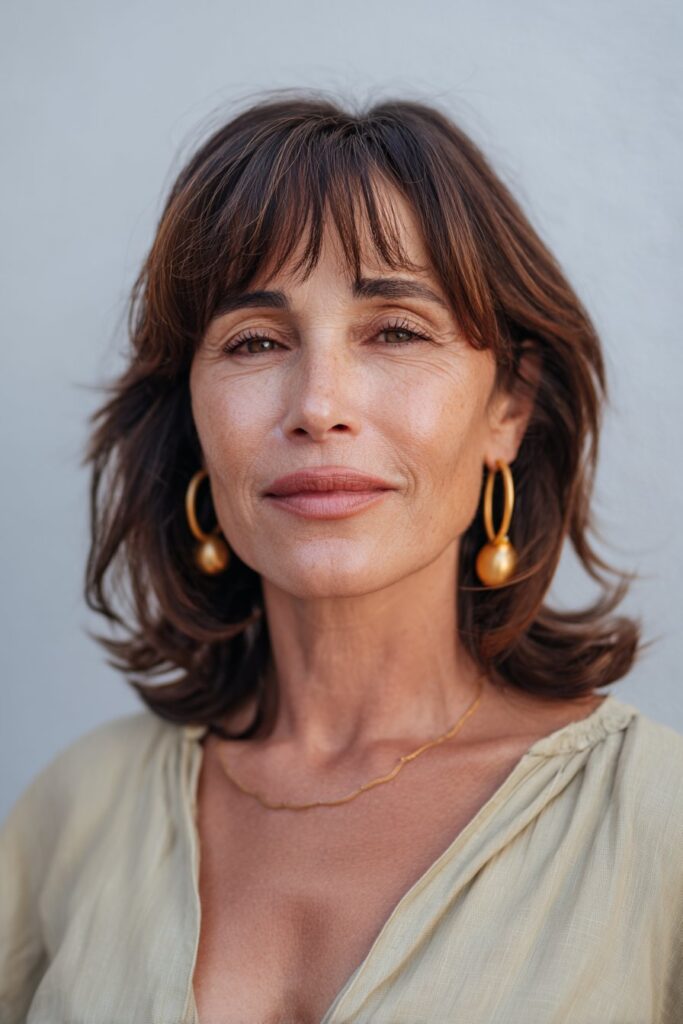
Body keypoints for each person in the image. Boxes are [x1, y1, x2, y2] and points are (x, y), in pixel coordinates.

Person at [1, 90, 682, 1024]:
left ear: (508, 407)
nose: (317, 404)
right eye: (254, 341)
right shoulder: (69, 817)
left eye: (394, 330)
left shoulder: (658, 823)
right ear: (192, 421)